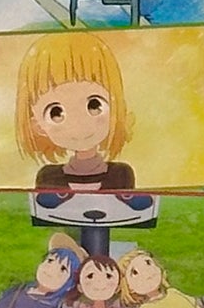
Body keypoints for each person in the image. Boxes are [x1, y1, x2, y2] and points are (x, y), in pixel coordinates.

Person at [15, 31, 138, 256]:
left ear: (116, 107)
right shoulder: (49, 178)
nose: (79, 124)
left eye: (94, 105)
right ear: (36, 124)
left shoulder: (120, 175)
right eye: (56, 112)